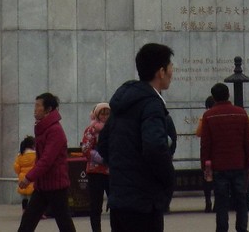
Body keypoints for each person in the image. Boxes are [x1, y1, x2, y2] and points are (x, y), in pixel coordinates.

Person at [98, 42, 177, 232]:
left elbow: (103, 144)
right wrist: (169, 180)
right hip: (144, 203)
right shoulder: (151, 104)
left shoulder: (123, 103)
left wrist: (125, 169)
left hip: (119, 201)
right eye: (170, 66)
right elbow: (155, 147)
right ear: (161, 71)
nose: (172, 71)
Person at [17, 93, 76, 232]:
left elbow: (46, 160)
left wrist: (28, 177)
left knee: (65, 223)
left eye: (38, 106)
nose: (35, 109)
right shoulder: (42, 128)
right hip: (42, 186)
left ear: (48, 109)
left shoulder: (55, 130)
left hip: (56, 186)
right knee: (27, 221)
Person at [199, 83, 249, 232]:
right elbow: (247, 141)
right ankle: (242, 228)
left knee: (221, 202)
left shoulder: (208, 116)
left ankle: (222, 229)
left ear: (214, 97)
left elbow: (205, 145)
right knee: (241, 201)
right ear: (228, 95)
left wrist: (205, 166)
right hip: (239, 164)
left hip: (218, 166)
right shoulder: (241, 113)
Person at [81, 102, 111, 232]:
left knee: (116, 203)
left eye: (107, 113)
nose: (104, 116)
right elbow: (85, 148)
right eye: (102, 113)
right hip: (95, 171)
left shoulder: (113, 128)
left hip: (111, 171)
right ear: (97, 115)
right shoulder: (91, 129)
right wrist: (100, 157)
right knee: (95, 206)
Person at [196, 97, 216, 212]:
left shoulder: (204, 117)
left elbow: (198, 133)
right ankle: (218, 202)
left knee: (207, 177)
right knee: (219, 178)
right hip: (219, 153)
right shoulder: (221, 116)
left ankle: (208, 200)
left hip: (207, 154)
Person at [13, 136, 36, 211]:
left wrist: (20, 173)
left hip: (22, 179)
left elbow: (16, 167)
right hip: (32, 178)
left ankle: (24, 210)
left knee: (24, 197)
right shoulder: (35, 155)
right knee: (32, 198)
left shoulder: (20, 156)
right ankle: (32, 212)